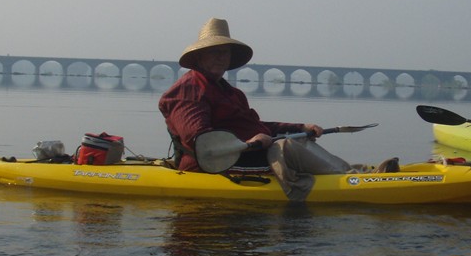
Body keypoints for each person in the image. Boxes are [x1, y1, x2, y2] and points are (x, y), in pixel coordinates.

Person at [158, 17, 397, 200]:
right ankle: (356, 181)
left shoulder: (229, 91)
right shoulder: (188, 90)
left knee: (298, 139)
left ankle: (357, 173)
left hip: (247, 154)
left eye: (225, 52)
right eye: (214, 52)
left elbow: (258, 127)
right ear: (199, 57)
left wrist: (300, 126)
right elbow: (200, 142)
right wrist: (252, 140)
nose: (221, 57)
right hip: (214, 166)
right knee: (287, 146)